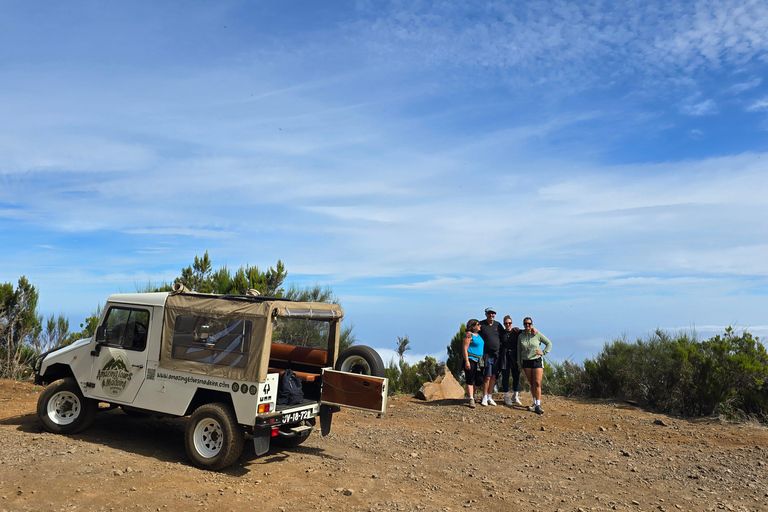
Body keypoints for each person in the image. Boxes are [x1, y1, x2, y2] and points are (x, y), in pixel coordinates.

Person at [517, 317, 552, 415]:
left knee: (537, 383)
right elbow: (519, 350)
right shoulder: (521, 336)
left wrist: (543, 352)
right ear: (523, 324)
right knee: (532, 383)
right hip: (526, 361)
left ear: (532, 324)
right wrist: (519, 363)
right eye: (525, 323)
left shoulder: (537, 334)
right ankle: (534, 403)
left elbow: (549, 343)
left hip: (537, 360)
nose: (527, 325)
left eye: (529, 323)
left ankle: (538, 404)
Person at [478, 307, 504, 406]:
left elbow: (504, 335)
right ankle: (484, 397)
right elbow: (473, 330)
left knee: (493, 376)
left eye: (493, 313)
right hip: (486, 355)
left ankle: (490, 396)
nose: (491, 315)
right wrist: (468, 333)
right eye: (489, 313)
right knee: (487, 377)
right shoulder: (482, 324)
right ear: (486, 314)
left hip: (496, 355)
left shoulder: (498, 325)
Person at [500, 315, 523, 406]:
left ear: (512, 323)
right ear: (504, 324)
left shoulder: (516, 332)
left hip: (515, 355)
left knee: (516, 375)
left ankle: (515, 396)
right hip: (504, 356)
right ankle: (506, 396)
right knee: (505, 375)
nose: (508, 325)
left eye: (509, 323)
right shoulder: (501, 333)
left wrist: (520, 330)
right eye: (506, 323)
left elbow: (526, 332)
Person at [462, 319, 484, 408]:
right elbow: (464, 349)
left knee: (479, 380)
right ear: (473, 326)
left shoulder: (478, 335)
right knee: (470, 379)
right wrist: (467, 361)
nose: (480, 326)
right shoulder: (469, 336)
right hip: (471, 359)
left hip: (479, 361)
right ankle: (471, 398)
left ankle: (469, 392)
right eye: (478, 325)